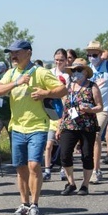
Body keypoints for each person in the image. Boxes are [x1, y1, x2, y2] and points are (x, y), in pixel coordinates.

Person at [0, 40, 67, 215]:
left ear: (28, 53)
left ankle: (34, 205)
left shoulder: (40, 72)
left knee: (33, 165)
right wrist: (16, 82)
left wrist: (45, 93)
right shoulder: (11, 73)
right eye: (11, 53)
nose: (13, 56)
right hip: (17, 127)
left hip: (38, 126)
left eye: (17, 52)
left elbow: (63, 89)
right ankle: (24, 204)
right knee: (20, 168)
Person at [57, 59, 101, 196]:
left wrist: (90, 110)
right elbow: (65, 108)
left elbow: (100, 106)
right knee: (64, 154)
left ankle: (85, 185)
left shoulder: (92, 86)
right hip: (69, 124)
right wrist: (59, 126)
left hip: (87, 125)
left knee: (87, 155)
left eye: (78, 70)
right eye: (73, 70)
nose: (75, 73)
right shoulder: (69, 87)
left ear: (85, 72)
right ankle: (71, 183)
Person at [84, 41, 108, 182]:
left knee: (96, 134)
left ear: (101, 54)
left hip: (105, 108)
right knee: (88, 138)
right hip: (89, 109)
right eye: (89, 55)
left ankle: (96, 170)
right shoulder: (87, 70)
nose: (92, 57)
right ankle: (89, 167)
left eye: (95, 54)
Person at [43, 48, 70, 181]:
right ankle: (47, 170)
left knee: (63, 145)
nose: (59, 62)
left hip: (64, 113)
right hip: (51, 112)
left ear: (66, 61)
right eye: (57, 60)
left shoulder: (68, 75)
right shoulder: (49, 73)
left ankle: (63, 168)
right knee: (48, 144)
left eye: (61, 60)